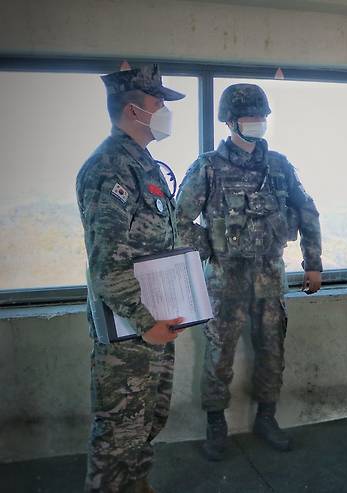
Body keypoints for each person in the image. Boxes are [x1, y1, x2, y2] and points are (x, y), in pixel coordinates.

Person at [175, 83, 323, 460]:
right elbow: (178, 219)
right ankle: (215, 423)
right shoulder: (207, 166)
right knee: (219, 352)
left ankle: (267, 418)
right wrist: (210, 245)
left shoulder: (279, 165)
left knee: (272, 349)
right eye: (250, 117)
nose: (258, 123)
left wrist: (313, 262)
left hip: (270, 274)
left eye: (262, 117)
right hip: (226, 279)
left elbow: (307, 211)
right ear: (230, 121)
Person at [77, 63, 186, 493]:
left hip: (154, 322)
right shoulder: (109, 169)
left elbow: (164, 235)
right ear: (132, 111)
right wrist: (146, 323)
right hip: (129, 332)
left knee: (145, 423)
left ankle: (138, 486)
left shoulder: (144, 164)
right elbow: (108, 262)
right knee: (116, 435)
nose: (164, 110)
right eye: (158, 103)